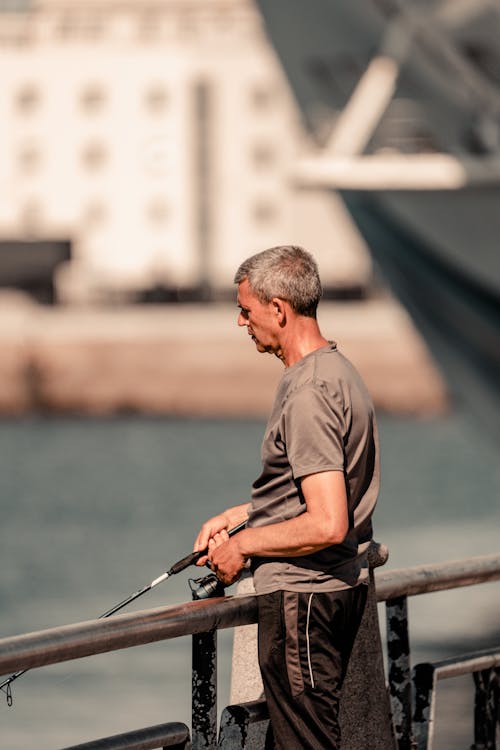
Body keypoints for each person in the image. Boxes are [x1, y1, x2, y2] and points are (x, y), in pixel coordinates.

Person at [194, 245, 379, 749]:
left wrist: (244, 544)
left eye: (245, 310)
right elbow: (320, 486)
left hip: (305, 601)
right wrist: (241, 515)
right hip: (329, 592)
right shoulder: (337, 372)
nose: (240, 321)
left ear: (278, 309)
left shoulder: (308, 393)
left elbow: (326, 522)